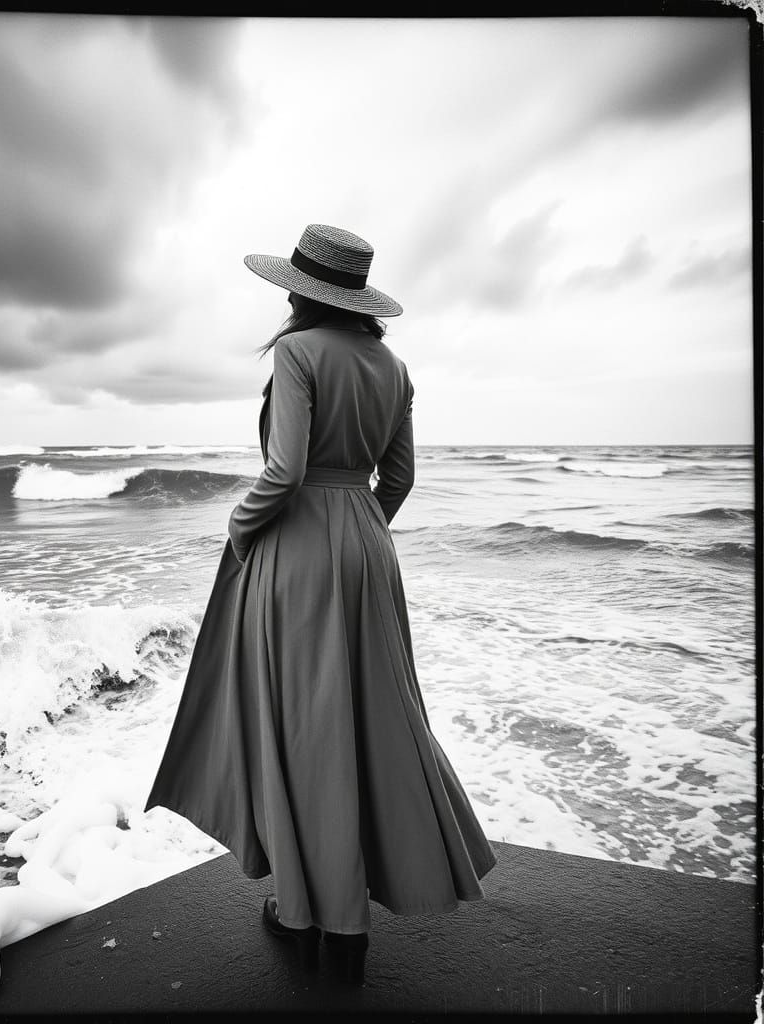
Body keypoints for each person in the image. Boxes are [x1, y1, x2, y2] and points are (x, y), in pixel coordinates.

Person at [144, 223, 496, 986]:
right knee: (369, 717)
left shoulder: (298, 354)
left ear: (302, 292)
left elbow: (286, 469)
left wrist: (240, 529)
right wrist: (359, 534)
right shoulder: (394, 367)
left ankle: (314, 915)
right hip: (370, 548)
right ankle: (349, 923)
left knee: (302, 727)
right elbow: (396, 481)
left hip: (297, 551)